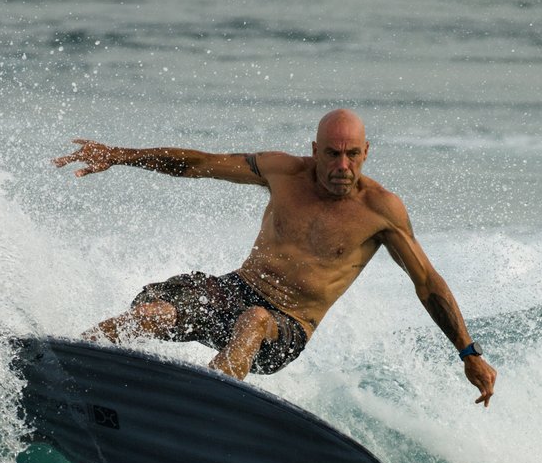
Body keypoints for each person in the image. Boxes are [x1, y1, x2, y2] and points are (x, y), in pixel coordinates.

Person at [53, 108, 496, 406]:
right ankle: (64, 361)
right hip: (234, 291)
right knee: (154, 313)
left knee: (254, 321)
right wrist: (120, 156)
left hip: (286, 326)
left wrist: (468, 353)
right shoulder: (284, 172)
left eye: (352, 155)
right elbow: (198, 164)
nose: (342, 166)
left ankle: (205, 410)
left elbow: (428, 284)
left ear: (366, 152)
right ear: (315, 150)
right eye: (332, 154)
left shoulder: (381, 211)